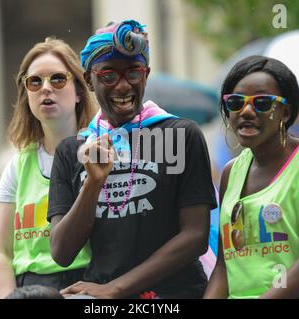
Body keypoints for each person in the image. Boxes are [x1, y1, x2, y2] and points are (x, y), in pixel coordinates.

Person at [48, 20, 217, 299]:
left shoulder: (181, 135)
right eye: (109, 76)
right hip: (101, 296)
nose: (123, 86)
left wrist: (117, 288)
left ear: (146, 74)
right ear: (89, 80)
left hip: (173, 295)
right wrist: (93, 182)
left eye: (133, 73)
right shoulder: (72, 151)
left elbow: (195, 237)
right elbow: (62, 252)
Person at [204, 55, 299, 299]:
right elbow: (223, 267)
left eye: (262, 103)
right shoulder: (231, 172)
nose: (247, 111)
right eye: (236, 103)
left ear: (284, 111)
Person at [0, 37, 97, 299]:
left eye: (58, 79)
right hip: (29, 290)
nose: (45, 88)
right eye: (35, 82)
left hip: (85, 287)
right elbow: (1, 252)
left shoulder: (100, 152)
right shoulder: (17, 164)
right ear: (26, 95)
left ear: (79, 90)